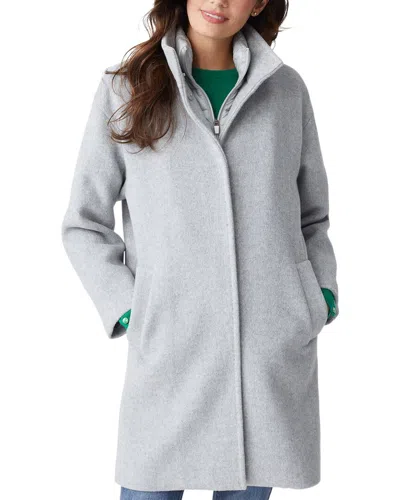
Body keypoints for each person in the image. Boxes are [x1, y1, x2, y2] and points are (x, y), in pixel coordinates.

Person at [61, 1, 339, 499]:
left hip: (265, 360)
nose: (219, 1)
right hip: (170, 355)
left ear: (259, 3)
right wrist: (132, 310)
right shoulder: (125, 88)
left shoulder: (286, 91)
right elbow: (84, 222)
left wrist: (318, 296)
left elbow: (312, 216)